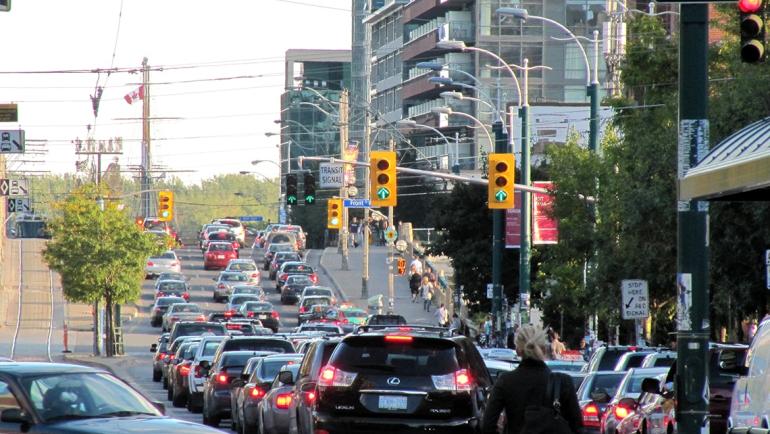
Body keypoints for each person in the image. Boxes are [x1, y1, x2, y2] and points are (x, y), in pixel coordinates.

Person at [481, 325, 582, 434]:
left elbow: (487, 425)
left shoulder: (505, 381)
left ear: (518, 351)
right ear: (543, 350)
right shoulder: (563, 382)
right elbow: (577, 427)